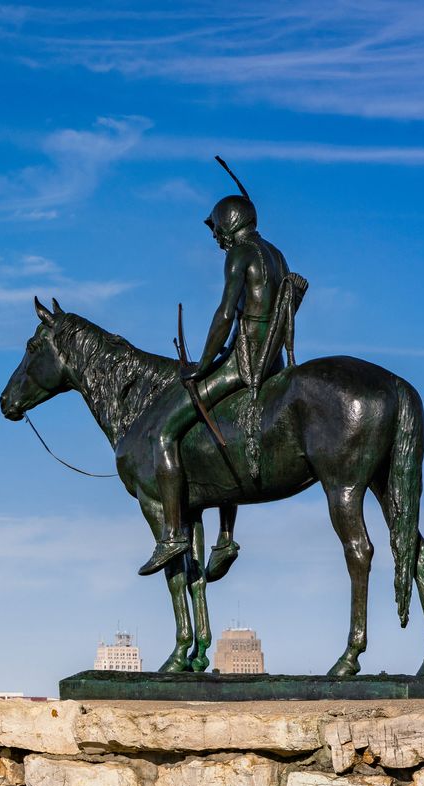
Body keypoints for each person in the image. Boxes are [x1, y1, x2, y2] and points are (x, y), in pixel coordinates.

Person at [139, 187, 305, 576]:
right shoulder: (276, 254)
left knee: (163, 432)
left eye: (217, 230)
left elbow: (226, 314)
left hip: (243, 363)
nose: (216, 238)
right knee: (218, 432)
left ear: (231, 223)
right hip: (273, 361)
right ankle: (225, 537)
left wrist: (203, 365)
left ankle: (173, 535)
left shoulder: (240, 253)